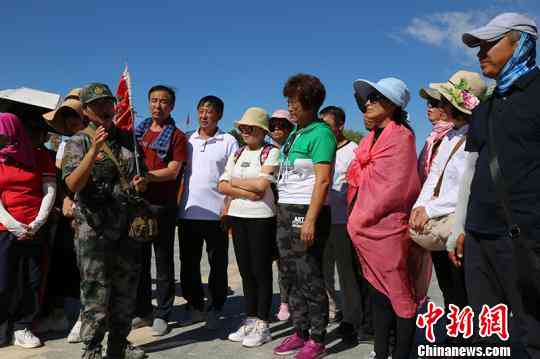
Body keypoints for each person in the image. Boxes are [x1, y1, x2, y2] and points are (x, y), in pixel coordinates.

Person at [448, 13, 540, 357]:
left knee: (533, 334)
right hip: (478, 236)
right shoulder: (484, 109)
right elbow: (470, 171)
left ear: (520, 42)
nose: (480, 52)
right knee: (488, 335)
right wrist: (459, 228)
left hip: (526, 238)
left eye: (489, 43)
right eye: (478, 46)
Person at [62, 83, 147, 359]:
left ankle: (119, 344)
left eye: (107, 103)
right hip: (94, 230)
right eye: (96, 104)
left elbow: (139, 178)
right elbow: (74, 184)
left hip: (125, 228)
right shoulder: (78, 141)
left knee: (125, 291)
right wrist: (93, 149)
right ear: (86, 110)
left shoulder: (128, 139)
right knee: (95, 292)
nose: (104, 109)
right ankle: (92, 347)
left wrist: (139, 183)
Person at [348, 77, 428, 359]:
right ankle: (381, 351)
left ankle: (403, 352)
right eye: (368, 98)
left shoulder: (402, 136)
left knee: (399, 295)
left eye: (375, 98)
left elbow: (397, 188)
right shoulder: (369, 138)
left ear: (392, 105)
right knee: (378, 296)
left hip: (389, 229)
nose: (367, 103)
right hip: (365, 228)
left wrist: (362, 217)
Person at [410, 71, 486, 335]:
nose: (440, 104)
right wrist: (420, 206)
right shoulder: (451, 136)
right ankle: (457, 337)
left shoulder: (477, 136)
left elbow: (466, 185)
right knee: (448, 287)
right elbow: (434, 176)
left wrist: (429, 208)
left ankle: (466, 341)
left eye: (444, 100)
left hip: (461, 225)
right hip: (440, 222)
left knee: (463, 288)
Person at [273, 74, 336, 359]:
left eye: (294, 101)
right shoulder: (296, 133)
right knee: (290, 275)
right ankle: (299, 331)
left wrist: (310, 219)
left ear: (309, 102)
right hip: (285, 210)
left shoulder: (321, 133)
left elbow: (322, 181)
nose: (290, 107)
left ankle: (317, 338)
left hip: (306, 212)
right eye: (288, 101)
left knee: (309, 275)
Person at [218, 107, 280, 347]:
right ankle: (250, 318)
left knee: (261, 270)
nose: (245, 131)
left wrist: (234, 182)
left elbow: (262, 186)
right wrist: (243, 187)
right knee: (245, 271)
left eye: (250, 128)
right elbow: (222, 185)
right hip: (238, 216)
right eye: (242, 128)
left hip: (262, 218)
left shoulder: (270, 152)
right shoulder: (237, 153)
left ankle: (263, 323)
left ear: (262, 131)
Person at [177, 95, 238, 329]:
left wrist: (228, 207)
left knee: (218, 262)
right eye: (201, 110)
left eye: (209, 111)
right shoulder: (187, 140)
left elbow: (233, 176)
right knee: (188, 262)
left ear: (219, 115)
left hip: (217, 214)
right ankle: (193, 303)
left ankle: (217, 302)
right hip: (188, 213)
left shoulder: (228, 141)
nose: (204, 115)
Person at [132, 85, 187, 336]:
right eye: (153, 100)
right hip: (137, 205)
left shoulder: (176, 136)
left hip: (163, 206)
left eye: (163, 101)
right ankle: (143, 311)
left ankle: (164, 313)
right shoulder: (138, 131)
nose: (158, 105)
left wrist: (147, 178)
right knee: (139, 262)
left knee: (163, 261)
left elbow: (174, 170)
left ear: (171, 106)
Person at [0, 113, 57, 348]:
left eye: (3, 135)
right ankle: (2, 327)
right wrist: (13, 225)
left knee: (33, 279)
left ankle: (23, 326)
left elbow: (49, 190)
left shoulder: (40, 157)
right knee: (3, 280)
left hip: (34, 228)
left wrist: (37, 222)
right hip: (4, 228)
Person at [320, 105, 373, 344]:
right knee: (322, 273)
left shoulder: (353, 150)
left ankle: (354, 320)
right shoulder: (318, 148)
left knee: (348, 274)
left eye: (328, 126)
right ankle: (328, 312)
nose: (324, 130)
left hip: (344, 222)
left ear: (340, 126)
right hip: (320, 220)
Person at [268, 108, 295, 322]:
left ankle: (289, 301)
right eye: (273, 125)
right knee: (275, 259)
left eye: (282, 125)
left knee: (290, 261)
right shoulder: (264, 150)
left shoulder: (294, 147)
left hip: (290, 211)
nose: (277, 128)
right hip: (268, 213)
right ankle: (282, 300)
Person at [417, 87, 452, 185]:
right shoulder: (432, 136)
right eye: (428, 104)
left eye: (433, 104)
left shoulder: (453, 135)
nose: (429, 108)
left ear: (445, 107)